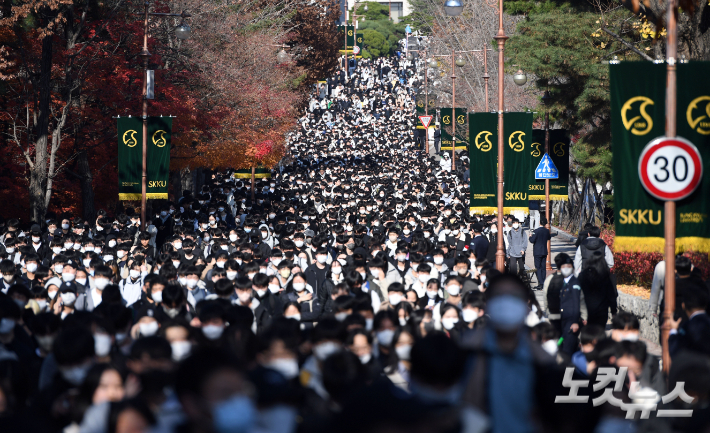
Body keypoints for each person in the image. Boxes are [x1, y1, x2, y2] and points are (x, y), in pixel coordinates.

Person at [528, 216, 557, 290]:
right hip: (544, 251)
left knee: (538, 267)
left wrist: (530, 236)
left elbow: (532, 240)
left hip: (537, 251)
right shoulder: (547, 231)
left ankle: (541, 283)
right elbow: (548, 238)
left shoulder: (536, 231)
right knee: (543, 267)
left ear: (539, 222)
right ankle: (543, 282)